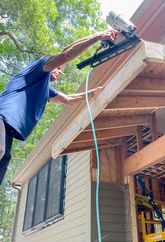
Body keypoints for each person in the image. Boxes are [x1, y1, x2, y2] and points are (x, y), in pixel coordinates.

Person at [0, 29, 117, 185]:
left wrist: (93, 93)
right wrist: (98, 36)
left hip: (7, 128)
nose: (59, 70)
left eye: (61, 70)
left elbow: (68, 99)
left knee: (4, 158)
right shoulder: (38, 68)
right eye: (58, 66)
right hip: (1, 118)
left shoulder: (45, 89)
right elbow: (66, 54)